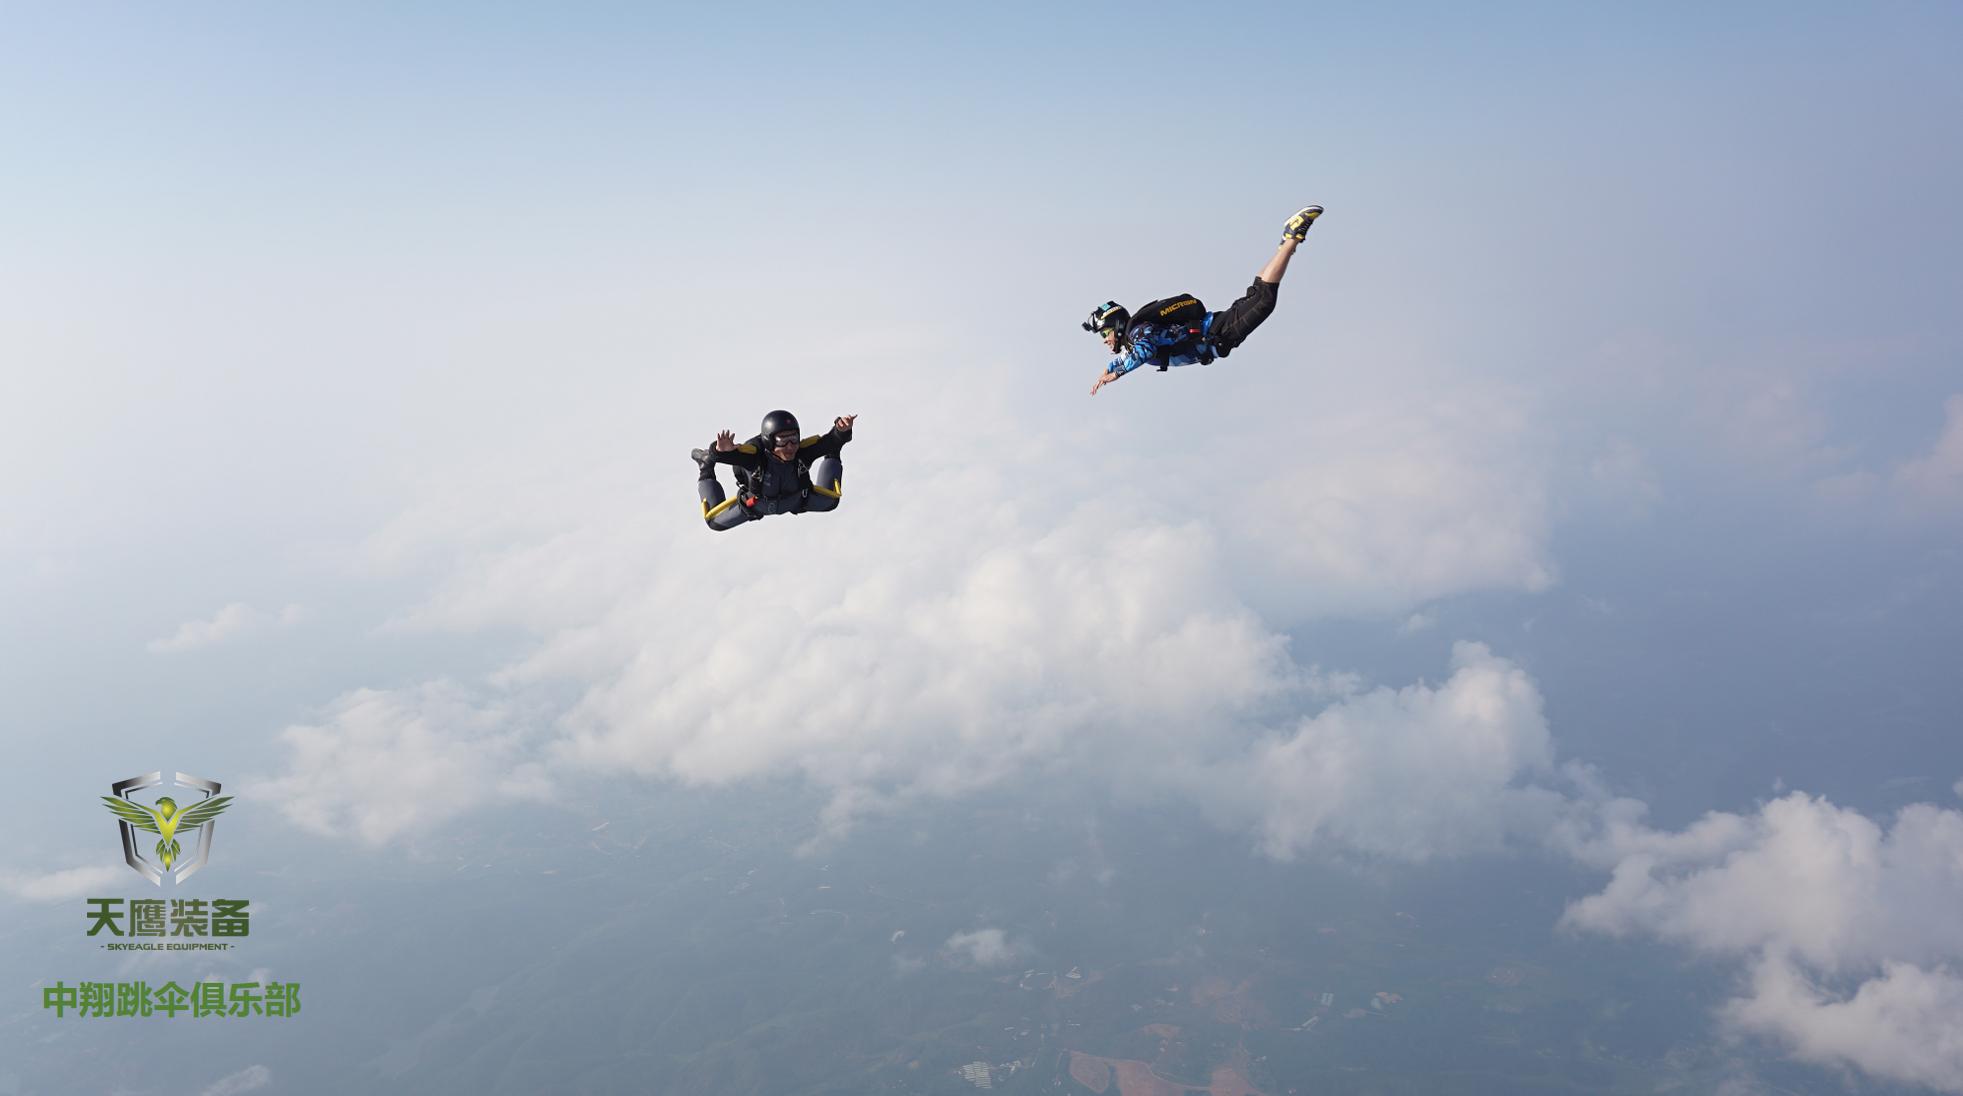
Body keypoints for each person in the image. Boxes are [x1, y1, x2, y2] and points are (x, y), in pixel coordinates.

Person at [1086, 205, 1323, 395]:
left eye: (1104, 333)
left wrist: (1117, 374)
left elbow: (1144, 350)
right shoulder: (1133, 336)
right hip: (1218, 331)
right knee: (1258, 293)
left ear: (1116, 326)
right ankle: (1286, 245)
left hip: (1218, 333)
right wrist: (1108, 369)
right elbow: (1130, 353)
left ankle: (1291, 238)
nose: (1105, 341)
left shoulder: (1138, 333)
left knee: (1264, 300)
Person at [691, 410, 855, 532]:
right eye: (782, 441)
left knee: (832, 501)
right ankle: (705, 468)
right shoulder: (755, 457)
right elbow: (728, 456)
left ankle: (833, 454)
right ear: (769, 441)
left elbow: (829, 440)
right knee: (714, 522)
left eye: (793, 439)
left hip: (798, 500)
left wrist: (841, 432)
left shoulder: (802, 453)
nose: (790, 447)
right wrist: (719, 450)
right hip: (755, 505)